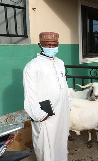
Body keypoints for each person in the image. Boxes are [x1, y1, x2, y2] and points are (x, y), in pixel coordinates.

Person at [23, 32, 71, 161]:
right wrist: (39, 114)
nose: (51, 47)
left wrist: (68, 104)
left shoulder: (60, 63)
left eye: (54, 44)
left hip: (62, 111)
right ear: (40, 45)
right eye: (47, 45)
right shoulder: (32, 66)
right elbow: (29, 93)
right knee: (45, 144)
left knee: (60, 141)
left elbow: (64, 85)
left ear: (58, 45)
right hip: (45, 112)